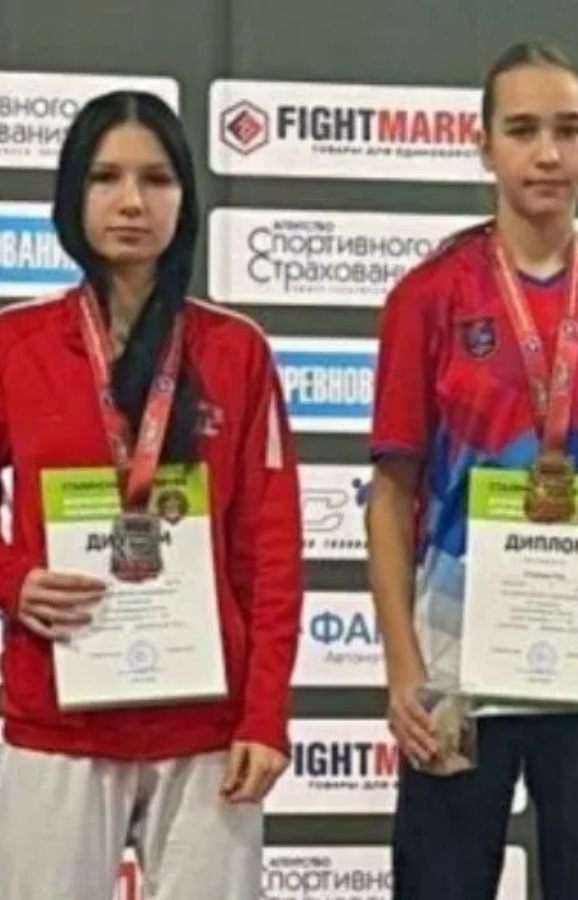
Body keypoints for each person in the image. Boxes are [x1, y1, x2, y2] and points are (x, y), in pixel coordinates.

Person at [366, 41, 578, 900]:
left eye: (568, 129)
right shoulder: (428, 295)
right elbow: (392, 494)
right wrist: (404, 667)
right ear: (484, 147)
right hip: (458, 656)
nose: (548, 153)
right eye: (522, 131)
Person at [0, 90, 303, 900]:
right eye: (105, 178)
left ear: (185, 198)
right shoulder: (16, 344)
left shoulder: (236, 352)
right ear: (72, 195)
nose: (131, 201)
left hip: (207, 727)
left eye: (157, 179)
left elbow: (270, 551)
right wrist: (12, 578)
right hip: (59, 715)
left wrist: (264, 715)